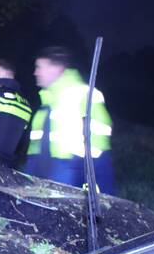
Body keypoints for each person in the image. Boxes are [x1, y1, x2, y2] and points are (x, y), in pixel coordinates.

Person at [23, 46, 115, 194]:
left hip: (69, 172)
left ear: (56, 68)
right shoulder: (47, 102)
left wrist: (81, 169)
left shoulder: (82, 93)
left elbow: (100, 133)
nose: (36, 72)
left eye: (40, 67)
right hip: (42, 174)